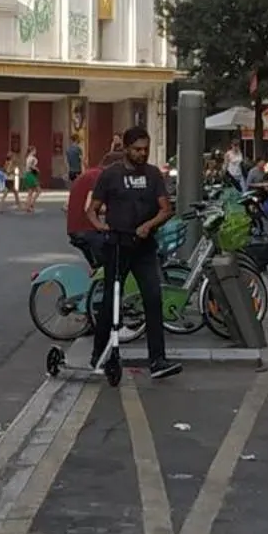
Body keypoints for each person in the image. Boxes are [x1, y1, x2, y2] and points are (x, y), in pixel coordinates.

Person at [86, 127, 182, 379]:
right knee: (110, 302)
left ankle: (158, 360)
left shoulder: (153, 175)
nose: (142, 154)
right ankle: (99, 353)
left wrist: (148, 225)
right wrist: (101, 227)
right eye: (137, 149)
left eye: (146, 149)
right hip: (117, 245)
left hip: (145, 247)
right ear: (126, 149)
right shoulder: (110, 175)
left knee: (153, 298)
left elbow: (166, 208)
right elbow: (92, 210)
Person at [67, 142, 122, 268]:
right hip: (87, 230)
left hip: (76, 229)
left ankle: (96, 281)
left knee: (99, 266)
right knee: (113, 259)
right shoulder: (99, 176)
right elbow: (89, 206)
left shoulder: (91, 173)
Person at [21, 145, 42, 213]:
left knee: (30, 192)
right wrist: (36, 169)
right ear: (32, 151)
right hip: (31, 175)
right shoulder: (32, 158)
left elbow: (28, 166)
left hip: (27, 175)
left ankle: (28, 206)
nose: (36, 151)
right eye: (35, 150)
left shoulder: (28, 158)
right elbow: (31, 166)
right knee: (38, 190)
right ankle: (32, 203)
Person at [1, 139, 21, 209]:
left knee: (14, 192)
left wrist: (7, 172)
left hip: (8, 178)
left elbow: (4, 169)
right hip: (10, 178)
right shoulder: (11, 162)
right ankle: (19, 205)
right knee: (11, 193)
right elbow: (11, 169)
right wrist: (11, 172)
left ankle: (18, 205)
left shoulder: (7, 162)